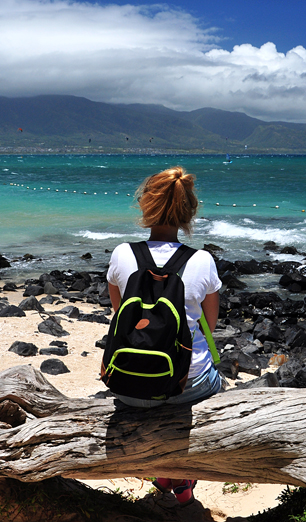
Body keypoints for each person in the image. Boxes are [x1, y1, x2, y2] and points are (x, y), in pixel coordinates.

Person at [106, 166, 223, 506]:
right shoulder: (202, 260)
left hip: (130, 384)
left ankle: (161, 475)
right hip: (188, 384)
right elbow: (208, 326)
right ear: (190, 211)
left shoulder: (122, 254)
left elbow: (120, 318)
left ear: (145, 205)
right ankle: (182, 480)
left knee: (150, 398)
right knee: (213, 379)